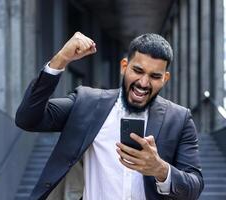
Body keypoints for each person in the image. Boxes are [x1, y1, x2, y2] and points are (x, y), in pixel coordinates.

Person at [15, 32, 204, 200]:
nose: (144, 83)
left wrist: (160, 169)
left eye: (155, 76)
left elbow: (194, 186)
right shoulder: (87, 103)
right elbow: (28, 118)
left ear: (165, 78)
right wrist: (61, 60)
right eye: (137, 71)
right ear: (124, 66)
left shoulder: (179, 119)